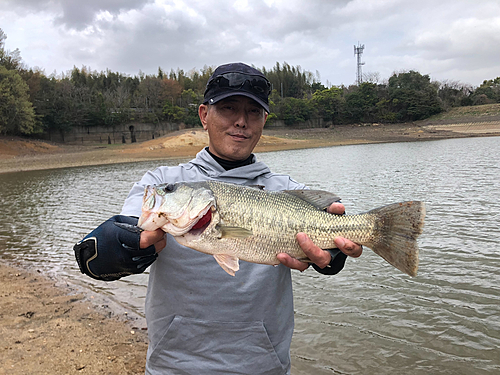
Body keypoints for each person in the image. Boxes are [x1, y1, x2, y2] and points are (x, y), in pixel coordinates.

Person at [74, 62, 362, 375]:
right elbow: (99, 255)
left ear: (264, 120)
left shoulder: (287, 190)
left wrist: (333, 256)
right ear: (204, 114)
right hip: (174, 367)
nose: (241, 121)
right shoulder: (164, 183)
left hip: (264, 367)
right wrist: (130, 245)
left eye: (254, 112)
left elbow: (328, 250)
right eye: (228, 108)